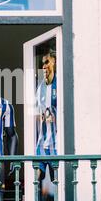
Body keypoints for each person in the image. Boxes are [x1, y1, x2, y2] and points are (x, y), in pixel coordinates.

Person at [35, 49, 57, 182]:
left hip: (57, 144)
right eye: (42, 63)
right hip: (42, 144)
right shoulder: (40, 88)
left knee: (58, 182)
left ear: (55, 62)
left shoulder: (60, 84)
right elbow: (37, 113)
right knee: (35, 180)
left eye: (47, 62)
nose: (44, 66)